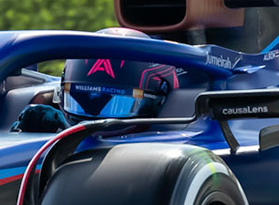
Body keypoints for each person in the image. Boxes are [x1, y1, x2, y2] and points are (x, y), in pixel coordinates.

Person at [11, 28, 179, 132]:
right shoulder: (50, 119)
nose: (93, 122)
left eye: (116, 105)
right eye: (80, 101)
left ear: (157, 100)